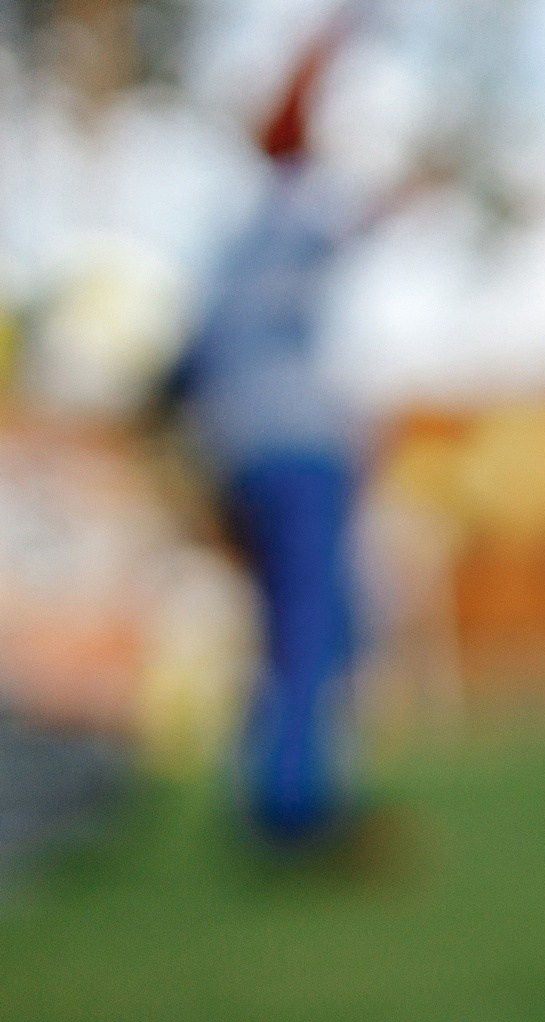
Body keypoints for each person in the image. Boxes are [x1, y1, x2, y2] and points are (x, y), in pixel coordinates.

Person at [157, 5, 388, 853]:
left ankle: (269, 792)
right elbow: (296, 130)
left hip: (238, 457)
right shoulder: (291, 209)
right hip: (299, 455)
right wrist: (334, 41)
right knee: (311, 625)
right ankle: (294, 807)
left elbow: (182, 371)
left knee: (283, 630)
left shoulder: (225, 248)